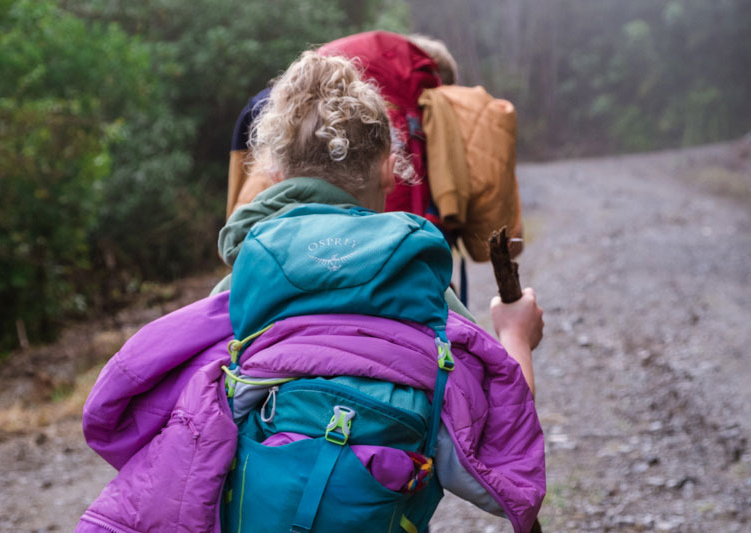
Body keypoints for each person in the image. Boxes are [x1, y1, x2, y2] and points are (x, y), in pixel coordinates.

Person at [77, 51, 544, 533]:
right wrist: (514, 335)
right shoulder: (421, 284)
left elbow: (155, 425)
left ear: (275, 173)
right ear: (388, 168)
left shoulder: (242, 289)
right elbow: (502, 440)